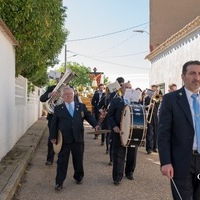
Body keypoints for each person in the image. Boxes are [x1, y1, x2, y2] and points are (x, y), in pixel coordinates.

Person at [158, 60, 200, 199]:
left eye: (199, 73)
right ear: (183, 76)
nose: (197, 77)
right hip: (181, 162)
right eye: (192, 73)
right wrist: (165, 162)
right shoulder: (170, 99)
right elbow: (164, 133)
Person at [50, 87, 99, 191]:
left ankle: (79, 177)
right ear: (63, 96)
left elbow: (88, 117)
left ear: (74, 95)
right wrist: (53, 137)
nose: (69, 96)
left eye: (71, 94)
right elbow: (54, 124)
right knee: (62, 162)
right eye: (66, 94)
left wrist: (95, 125)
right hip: (64, 140)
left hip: (78, 139)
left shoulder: (81, 106)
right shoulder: (58, 108)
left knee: (78, 160)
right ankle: (59, 182)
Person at [107, 82, 138, 186]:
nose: (129, 89)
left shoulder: (136, 101)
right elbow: (110, 116)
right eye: (126, 87)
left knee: (132, 153)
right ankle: (117, 177)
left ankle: (129, 172)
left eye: (130, 87)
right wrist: (114, 126)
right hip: (119, 131)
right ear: (121, 89)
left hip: (133, 131)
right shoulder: (115, 101)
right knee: (119, 154)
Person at [40, 82, 60, 165]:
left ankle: (60, 158)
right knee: (51, 138)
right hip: (52, 117)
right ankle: (49, 159)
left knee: (64, 139)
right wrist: (51, 94)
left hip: (64, 118)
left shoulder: (70, 89)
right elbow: (42, 98)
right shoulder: (51, 88)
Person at [144, 85, 161, 154]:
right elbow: (144, 107)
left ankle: (155, 147)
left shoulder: (157, 97)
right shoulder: (147, 98)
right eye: (153, 90)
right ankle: (149, 148)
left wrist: (155, 99)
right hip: (149, 117)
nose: (154, 92)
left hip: (156, 117)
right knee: (149, 133)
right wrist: (149, 106)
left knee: (156, 133)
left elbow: (159, 105)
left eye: (155, 90)